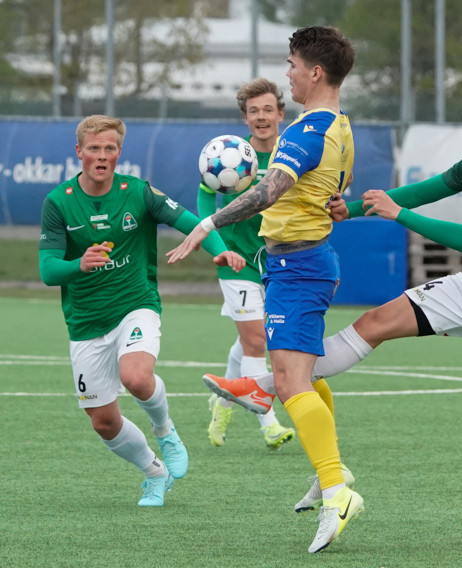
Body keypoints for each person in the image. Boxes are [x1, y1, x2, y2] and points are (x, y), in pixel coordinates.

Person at [203, 86, 462, 554]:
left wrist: (397, 215)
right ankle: (265, 386)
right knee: (374, 323)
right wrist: (353, 209)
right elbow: (425, 190)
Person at [168, 26, 362, 554]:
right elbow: (338, 186)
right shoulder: (341, 125)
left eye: (292, 64)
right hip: (296, 262)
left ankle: (337, 490)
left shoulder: (304, 132)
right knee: (299, 374)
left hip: (299, 267)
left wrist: (207, 224)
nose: (288, 73)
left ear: (315, 72)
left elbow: (268, 192)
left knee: (291, 381)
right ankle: (330, 467)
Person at [39, 115, 245, 507]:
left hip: (136, 305)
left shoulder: (139, 192)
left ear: (119, 152)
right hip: (85, 322)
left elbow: (190, 221)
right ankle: (154, 473)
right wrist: (79, 264)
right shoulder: (58, 202)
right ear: (79, 151)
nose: (102, 155)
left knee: (135, 377)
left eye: (110, 148)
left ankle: (165, 430)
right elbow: (48, 270)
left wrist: (219, 251)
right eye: (94, 148)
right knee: (103, 422)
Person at [198, 78, 295, 450]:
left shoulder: (291, 155)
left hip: (278, 261)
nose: (261, 117)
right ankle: (269, 424)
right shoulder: (230, 155)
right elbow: (204, 204)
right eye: (254, 111)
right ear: (245, 118)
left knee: (251, 338)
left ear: (280, 114)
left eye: (268, 109)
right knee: (257, 340)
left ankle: (223, 402)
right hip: (236, 262)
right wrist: (220, 248)